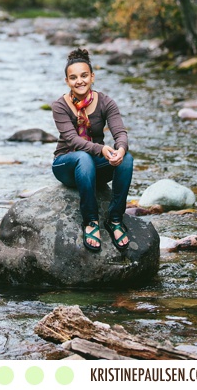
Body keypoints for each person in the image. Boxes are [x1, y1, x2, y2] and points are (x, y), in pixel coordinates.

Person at [50, 48, 133, 253]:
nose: (80, 81)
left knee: (128, 159)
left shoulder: (106, 102)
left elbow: (120, 133)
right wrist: (102, 149)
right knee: (83, 157)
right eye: (73, 77)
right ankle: (91, 221)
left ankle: (114, 220)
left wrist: (120, 150)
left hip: (94, 166)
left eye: (84, 75)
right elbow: (72, 140)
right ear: (67, 81)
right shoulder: (60, 106)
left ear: (92, 77)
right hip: (66, 164)